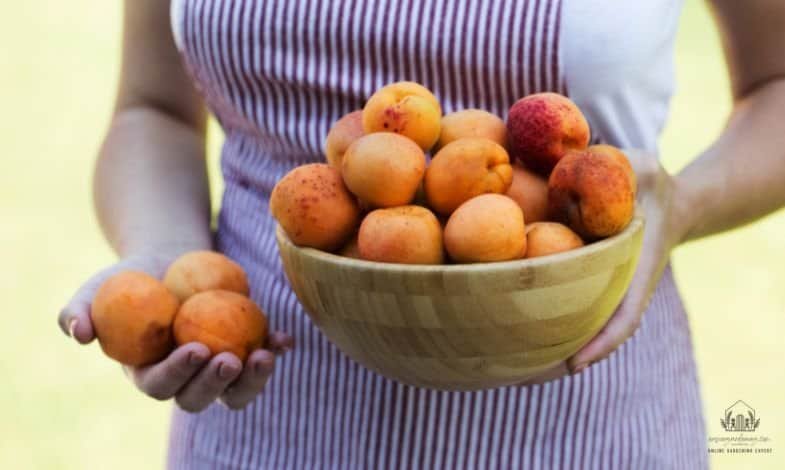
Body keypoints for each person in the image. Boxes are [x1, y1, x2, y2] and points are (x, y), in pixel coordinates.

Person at [58, 0, 785, 468]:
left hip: (583, 418)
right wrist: (165, 257)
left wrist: (683, 202)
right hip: (261, 408)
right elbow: (150, 108)